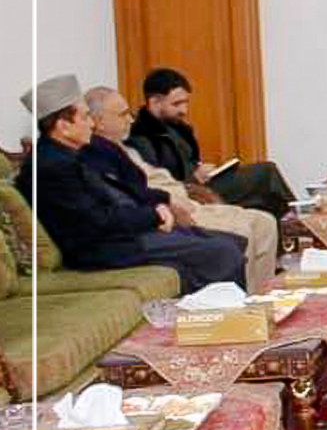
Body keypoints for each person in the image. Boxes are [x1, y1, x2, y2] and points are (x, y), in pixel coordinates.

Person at [17, 75, 245, 293]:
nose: (92, 124)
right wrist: (154, 215)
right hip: (105, 248)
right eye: (85, 117)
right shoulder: (51, 167)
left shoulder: (65, 155)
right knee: (222, 251)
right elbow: (98, 221)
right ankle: (221, 316)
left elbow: (117, 196)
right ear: (63, 126)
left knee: (232, 241)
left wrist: (159, 204)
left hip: (120, 235)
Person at [86, 86, 278, 290]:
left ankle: (263, 295)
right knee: (241, 232)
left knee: (264, 221)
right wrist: (171, 202)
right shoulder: (100, 155)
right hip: (172, 211)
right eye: (123, 114)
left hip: (188, 199)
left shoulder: (125, 147)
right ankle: (245, 300)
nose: (130, 120)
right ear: (99, 122)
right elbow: (133, 197)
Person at [127, 68, 295, 220]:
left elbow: (190, 162)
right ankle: (300, 221)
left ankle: (291, 225)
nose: (184, 110)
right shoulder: (141, 138)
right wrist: (194, 178)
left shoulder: (178, 127)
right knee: (265, 173)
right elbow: (158, 183)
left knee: (266, 192)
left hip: (204, 185)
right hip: (189, 193)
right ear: (155, 102)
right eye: (176, 104)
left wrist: (206, 171)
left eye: (186, 103)